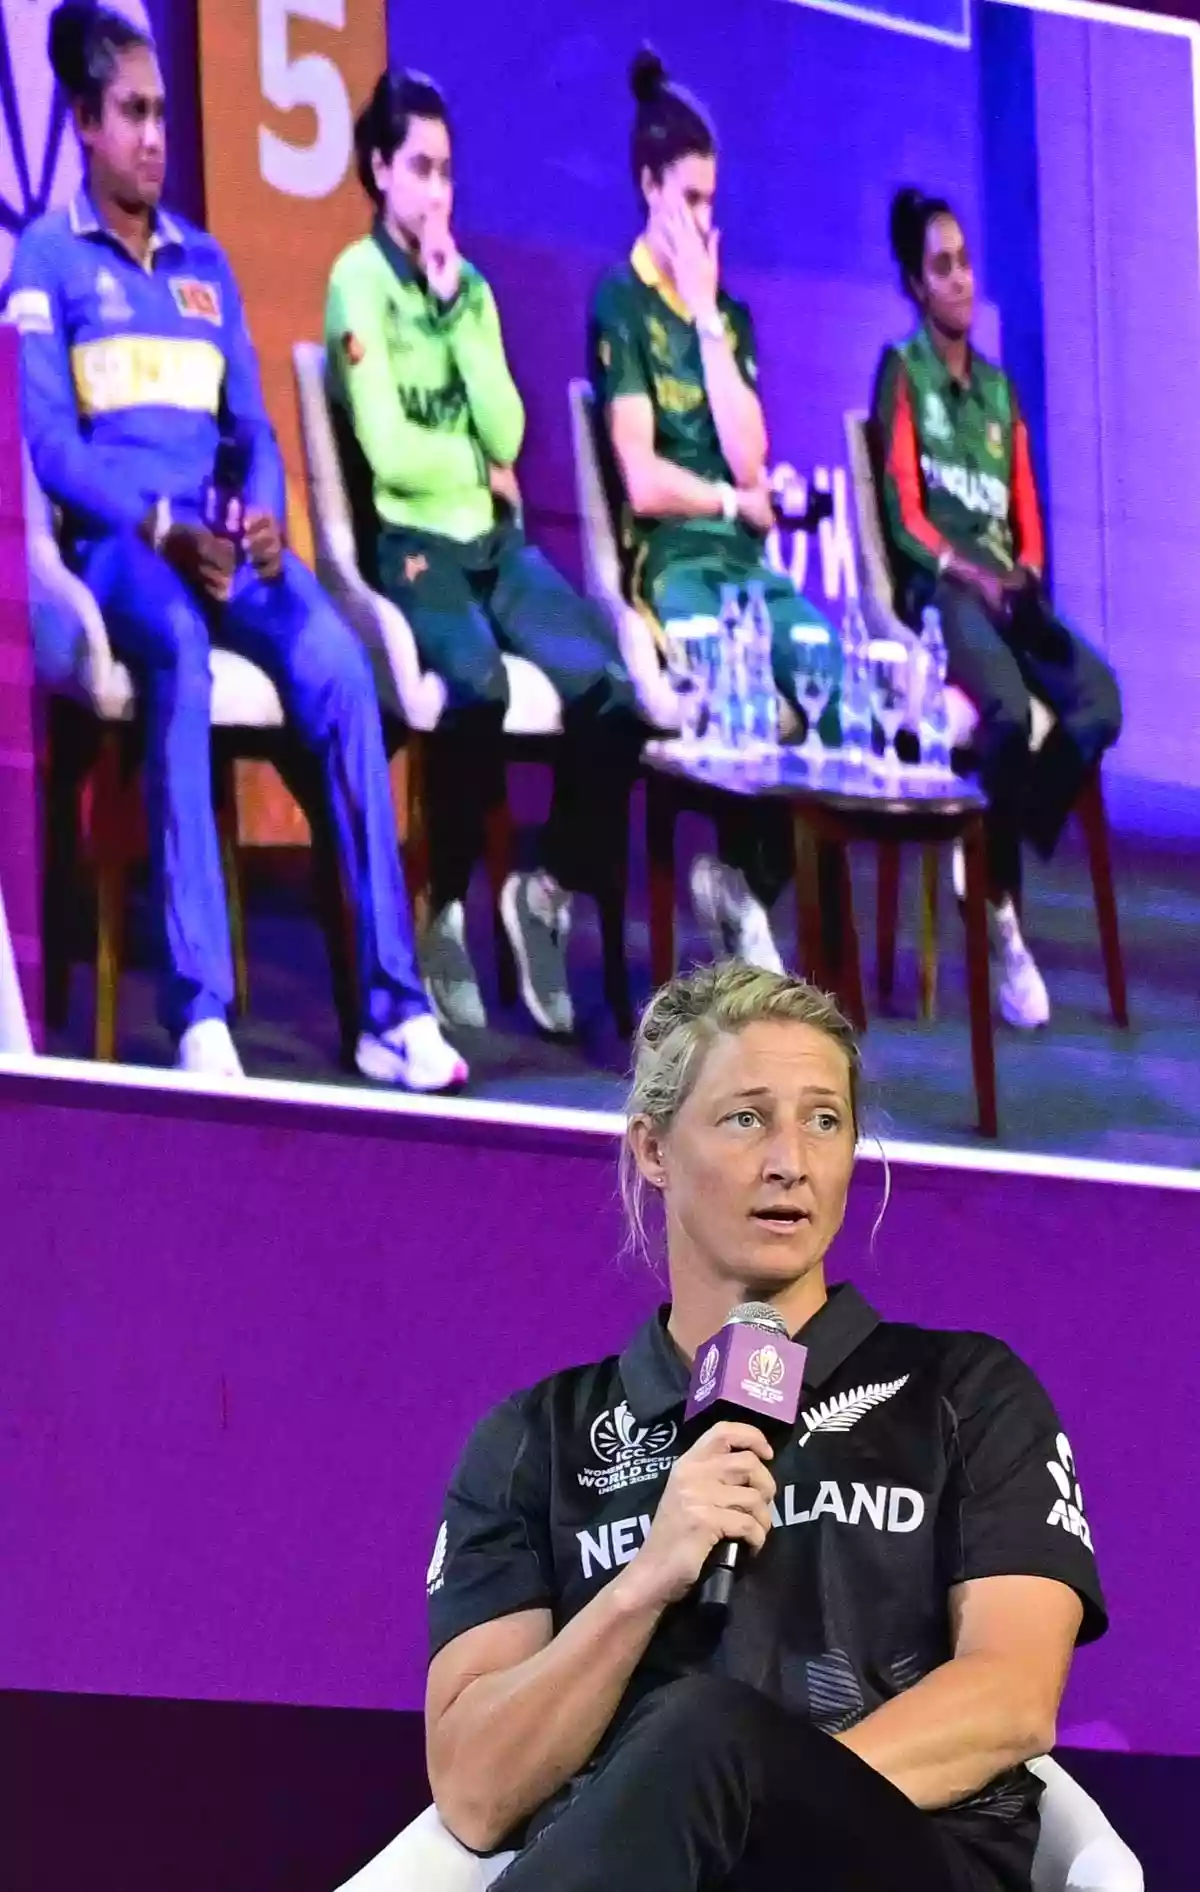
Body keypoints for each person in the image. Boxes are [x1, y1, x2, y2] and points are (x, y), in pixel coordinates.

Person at [425, 960, 1106, 1891]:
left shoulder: (967, 1391)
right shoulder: (535, 1440)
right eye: (747, 1118)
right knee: (693, 1735)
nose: (791, 1160)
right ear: (654, 1150)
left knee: (703, 1728)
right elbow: (473, 1789)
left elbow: (1014, 1698)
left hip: (900, 1860)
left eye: (824, 1120)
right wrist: (645, 1583)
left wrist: (754, 1813)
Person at [9, 5, 465, 1091]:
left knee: (343, 671)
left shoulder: (205, 261)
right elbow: (52, 448)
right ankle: (199, 1008)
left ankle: (392, 1012)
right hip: (122, 552)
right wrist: (164, 526)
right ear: (84, 123)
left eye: (163, 113)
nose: (156, 136)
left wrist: (261, 518)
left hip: (225, 543)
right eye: (133, 113)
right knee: (173, 648)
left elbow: (253, 430)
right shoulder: (46, 256)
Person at [325, 71, 643, 1038]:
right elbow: (386, 449)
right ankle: (445, 910)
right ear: (380, 171)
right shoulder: (357, 281)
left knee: (611, 692)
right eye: (419, 169)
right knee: (475, 682)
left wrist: (458, 312)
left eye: (448, 173)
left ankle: (541, 891)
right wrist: (462, 456)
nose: (436, 193)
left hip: (490, 539)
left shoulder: (471, 291)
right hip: (411, 543)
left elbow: (506, 432)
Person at [589, 51, 841, 975]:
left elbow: (750, 456)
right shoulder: (617, 305)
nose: (703, 220)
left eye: (710, 202)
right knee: (727, 681)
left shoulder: (723, 314)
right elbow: (646, 483)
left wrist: (704, 317)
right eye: (688, 200)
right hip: (674, 565)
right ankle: (728, 901)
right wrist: (738, 500)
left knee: (826, 675)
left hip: (746, 563)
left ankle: (746, 883)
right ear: (648, 186)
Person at [873, 188, 1123, 1030]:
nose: (961, 281)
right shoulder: (901, 373)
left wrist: (1025, 574)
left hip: (1006, 592)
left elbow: (1027, 510)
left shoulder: (1001, 393)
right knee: (1008, 712)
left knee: (1099, 700)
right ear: (915, 282)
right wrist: (965, 573)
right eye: (941, 267)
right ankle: (1003, 918)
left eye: (965, 263)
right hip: (942, 591)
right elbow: (902, 510)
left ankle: (991, 845)